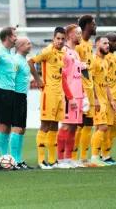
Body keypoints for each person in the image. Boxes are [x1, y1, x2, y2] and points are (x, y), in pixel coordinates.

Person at [28, 27, 66, 169]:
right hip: (48, 93)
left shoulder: (63, 53)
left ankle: (52, 160)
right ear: (53, 38)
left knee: (55, 125)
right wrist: (38, 79)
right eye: (58, 38)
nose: (60, 41)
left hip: (59, 94)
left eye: (63, 39)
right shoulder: (47, 51)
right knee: (45, 124)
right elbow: (31, 61)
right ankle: (41, 160)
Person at [0, 27, 17, 170]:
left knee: (7, 127)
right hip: (0, 92)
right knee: (1, 125)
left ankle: (5, 160)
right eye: (14, 36)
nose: (16, 38)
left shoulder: (9, 53)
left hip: (10, 92)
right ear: (7, 37)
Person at [57, 24, 85, 168]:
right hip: (69, 96)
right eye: (78, 33)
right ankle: (60, 159)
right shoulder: (64, 52)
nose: (80, 36)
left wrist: (83, 95)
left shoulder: (76, 52)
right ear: (70, 35)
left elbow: (78, 75)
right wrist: (70, 96)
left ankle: (69, 158)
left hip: (78, 95)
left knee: (74, 127)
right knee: (66, 126)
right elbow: (62, 76)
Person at [89, 36, 116, 166]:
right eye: (104, 43)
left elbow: (106, 85)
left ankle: (102, 156)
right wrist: (94, 99)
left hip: (105, 100)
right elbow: (90, 81)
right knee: (103, 127)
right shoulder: (93, 61)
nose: (107, 45)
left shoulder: (104, 62)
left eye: (108, 44)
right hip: (98, 101)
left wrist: (112, 101)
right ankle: (94, 157)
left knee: (104, 128)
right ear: (97, 45)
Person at [74, 15, 97, 166]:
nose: (95, 26)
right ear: (87, 25)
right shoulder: (79, 45)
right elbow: (77, 68)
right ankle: (72, 157)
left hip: (89, 89)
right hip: (80, 90)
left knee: (89, 123)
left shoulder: (89, 44)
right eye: (93, 24)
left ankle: (83, 158)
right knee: (78, 124)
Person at [11, 37, 33, 169]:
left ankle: (18, 160)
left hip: (22, 96)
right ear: (19, 46)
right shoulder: (15, 61)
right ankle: (14, 160)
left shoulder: (24, 60)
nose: (30, 45)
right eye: (27, 43)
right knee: (17, 128)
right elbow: (11, 78)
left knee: (22, 129)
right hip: (15, 96)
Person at [104, 32, 116, 165]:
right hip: (109, 97)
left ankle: (107, 153)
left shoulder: (112, 57)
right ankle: (102, 154)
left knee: (113, 127)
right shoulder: (105, 58)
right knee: (105, 126)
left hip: (114, 96)